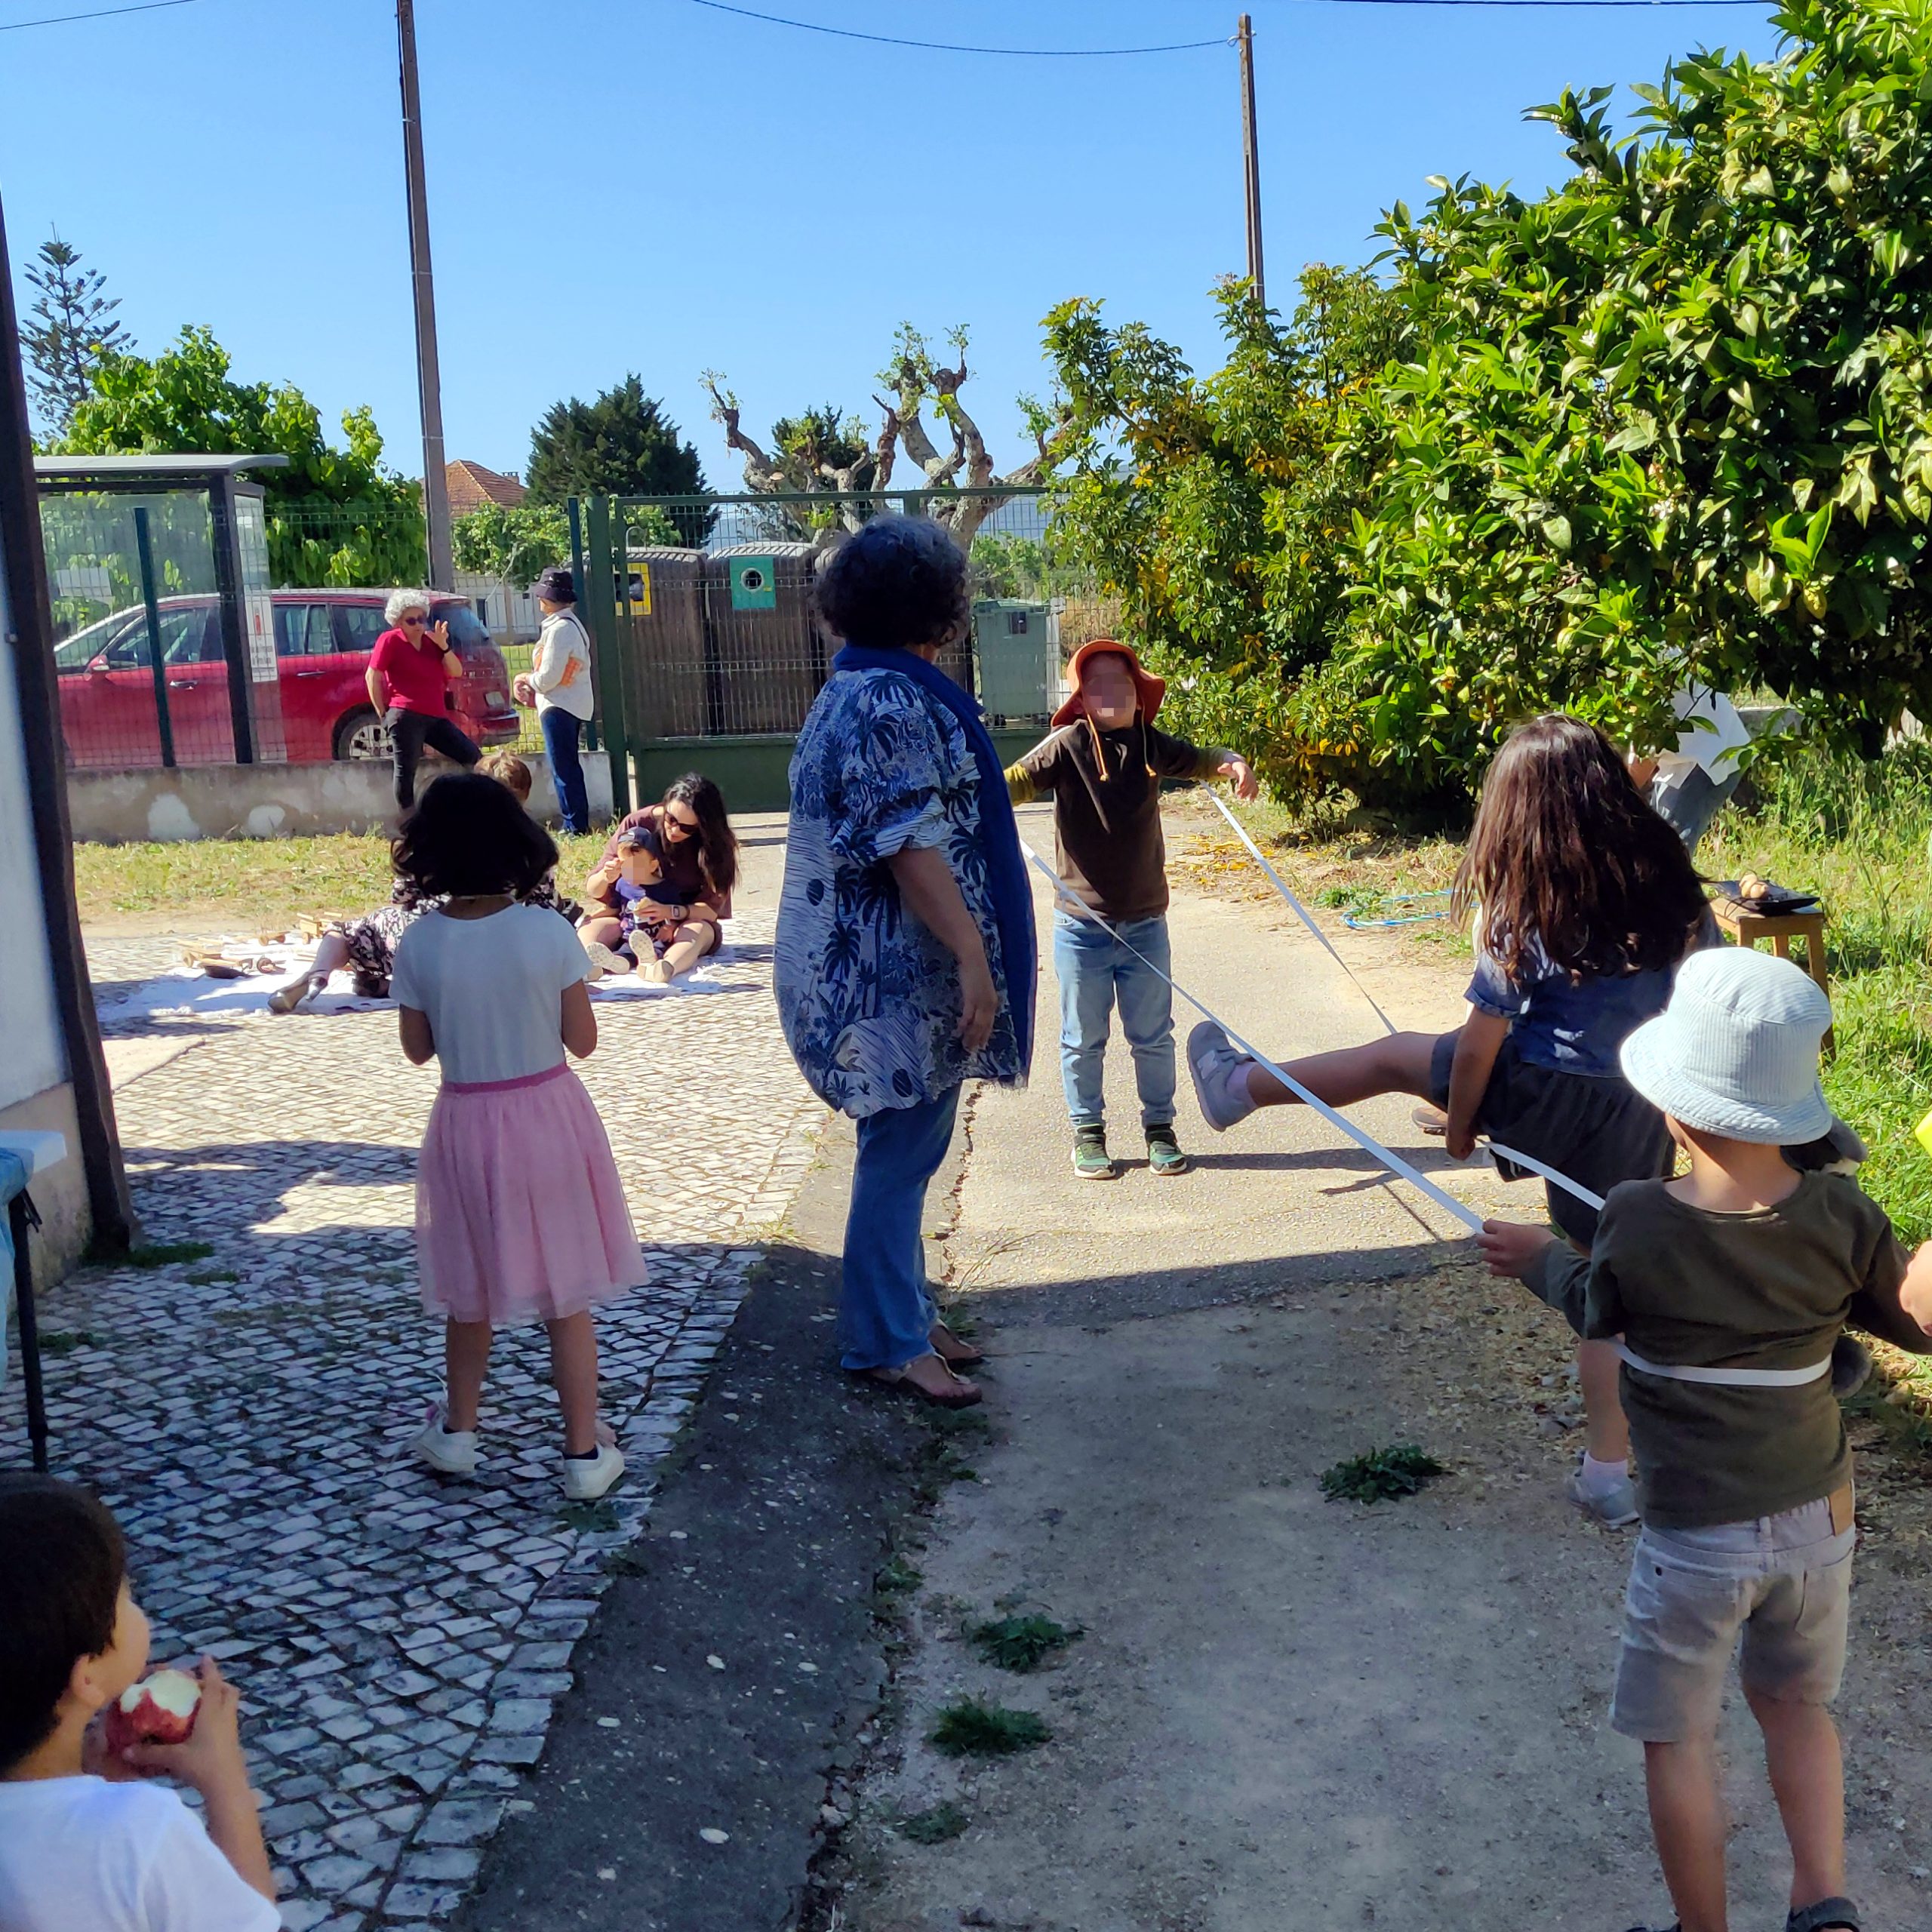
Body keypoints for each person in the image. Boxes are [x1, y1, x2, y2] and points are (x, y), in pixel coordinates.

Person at [1477, 948, 1932, 1932]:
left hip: (1695, 1540)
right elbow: (1910, 1315)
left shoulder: (1638, 1221)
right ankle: (1824, 1904)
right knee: (1798, 1708)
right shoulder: (1843, 1216)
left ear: (1675, 1107)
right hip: (1819, 1523)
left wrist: (1536, 1261)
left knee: (1676, 1738)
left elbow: (1597, 1307)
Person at [1187, 714, 1712, 1526]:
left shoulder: (1529, 894)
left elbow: (1476, 1049)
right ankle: (1609, 1474)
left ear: (1517, 806)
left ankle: (1237, 1088)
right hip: (1639, 1099)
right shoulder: (1668, 876)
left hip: (1540, 1090)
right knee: (1605, 1282)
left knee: (1396, 1056)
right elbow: (1700, 994)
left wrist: (1464, 1125)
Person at [775, 516, 1035, 1408]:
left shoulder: (861, 686)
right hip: (890, 980)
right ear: (938, 606)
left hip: (879, 973)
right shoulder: (888, 699)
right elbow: (909, 843)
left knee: (911, 1148)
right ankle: (884, 1340)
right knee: (897, 1151)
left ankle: (907, 1313)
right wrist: (973, 957)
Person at [390, 772, 641, 1500]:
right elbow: (583, 1041)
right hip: (547, 1115)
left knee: (470, 1291)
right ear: (518, 843)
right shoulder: (547, 931)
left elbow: (417, 1050)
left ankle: (459, 1433)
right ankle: (585, 1453)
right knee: (568, 1296)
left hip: (466, 1117)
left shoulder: (421, 942)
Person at [1006, 638, 1257, 1180]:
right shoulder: (1065, 744)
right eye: (1096, 684)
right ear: (1080, 698)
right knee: (1082, 1037)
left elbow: (1200, 759)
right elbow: (1014, 784)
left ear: (1139, 696)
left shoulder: (1150, 745)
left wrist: (1231, 763)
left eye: (1121, 682)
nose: (1110, 693)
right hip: (1081, 927)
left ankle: (1160, 1129)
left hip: (1146, 923)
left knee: (1152, 1034)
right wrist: (974, 796)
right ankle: (1088, 1132)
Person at [0, 1474, 278, 1931]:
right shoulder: (139, 1832)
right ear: (86, 1676)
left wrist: (90, 1779)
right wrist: (225, 1780)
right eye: (125, 1596)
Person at [269, 752, 578, 1013]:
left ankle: (319, 973)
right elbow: (547, 905)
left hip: (431, 944)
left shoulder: (435, 840)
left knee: (352, 931)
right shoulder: (528, 844)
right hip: (508, 946)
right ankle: (372, 980)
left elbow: (403, 897)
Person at [583, 774, 739, 984]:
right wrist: (606, 875)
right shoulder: (637, 825)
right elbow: (594, 889)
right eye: (671, 819)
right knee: (595, 926)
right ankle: (586, 965)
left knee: (696, 930)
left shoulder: (716, 848)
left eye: (687, 828)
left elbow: (710, 910)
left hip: (682, 922)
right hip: (629, 921)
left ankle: (665, 967)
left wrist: (671, 913)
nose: (674, 831)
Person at [368, 589, 481, 811]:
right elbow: (373, 675)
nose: (419, 625)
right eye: (411, 620)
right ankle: (409, 825)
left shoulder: (432, 643)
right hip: (405, 715)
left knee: (473, 757)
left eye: (422, 619)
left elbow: (456, 671)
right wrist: (383, 713)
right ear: (397, 621)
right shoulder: (390, 640)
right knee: (406, 771)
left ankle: (478, 809)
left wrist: (444, 646)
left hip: (436, 717)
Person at [512, 565, 595, 836]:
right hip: (569, 704)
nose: (539, 600)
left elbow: (548, 677)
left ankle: (574, 825)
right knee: (567, 765)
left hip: (560, 706)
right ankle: (575, 821)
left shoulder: (560, 629)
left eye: (542, 595)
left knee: (563, 767)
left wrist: (526, 679)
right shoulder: (570, 625)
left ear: (549, 599)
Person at [1629, 682, 1752, 855]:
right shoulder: (1634, 672)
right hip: (1691, 753)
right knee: (1659, 841)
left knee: (1669, 850)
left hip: (1709, 753)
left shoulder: (1643, 676)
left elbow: (1639, 765)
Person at [577, 824, 686, 980]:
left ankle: (649, 962)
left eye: (637, 866)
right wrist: (592, 917)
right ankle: (613, 963)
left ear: (653, 865)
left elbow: (677, 914)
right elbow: (614, 908)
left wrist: (671, 928)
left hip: (656, 938)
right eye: (626, 866)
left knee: (654, 950)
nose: (631, 872)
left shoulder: (665, 888)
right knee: (624, 954)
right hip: (629, 938)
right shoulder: (622, 885)